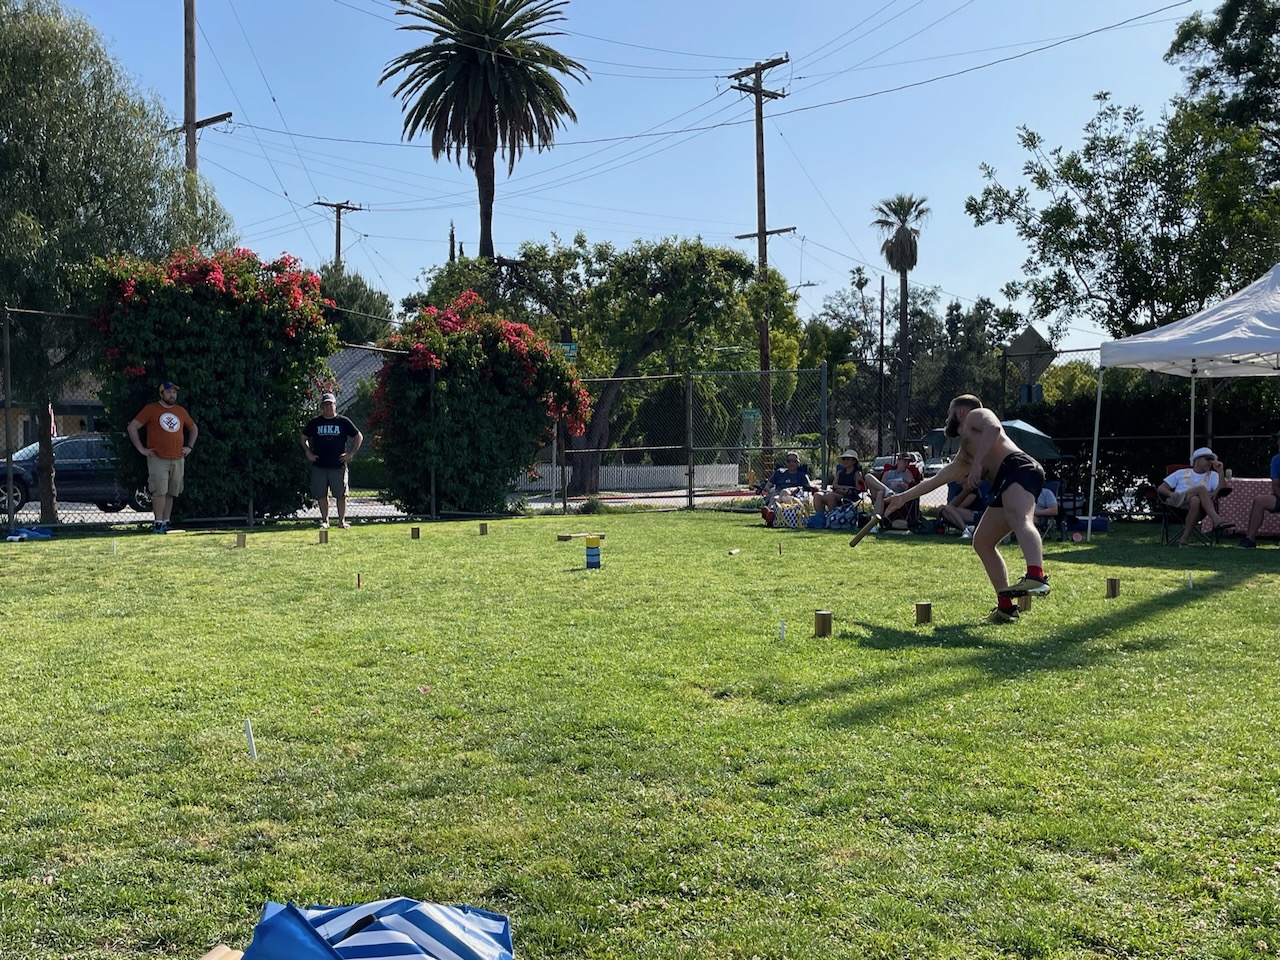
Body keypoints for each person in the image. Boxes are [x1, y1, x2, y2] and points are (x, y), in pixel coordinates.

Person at [883, 394, 1049, 624]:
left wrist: (978, 465)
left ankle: (1036, 575)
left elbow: (993, 428)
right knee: (982, 541)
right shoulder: (966, 453)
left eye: (949, 413)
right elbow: (936, 481)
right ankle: (1005, 607)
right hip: (1005, 479)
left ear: (959, 412)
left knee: (1019, 518)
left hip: (1019, 467)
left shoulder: (976, 415)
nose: (946, 418)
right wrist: (902, 498)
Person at [128, 379, 198, 534]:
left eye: (174, 392)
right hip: (157, 458)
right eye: (168, 392)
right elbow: (132, 426)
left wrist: (189, 447)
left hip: (178, 457)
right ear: (161, 393)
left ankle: (166, 521)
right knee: (159, 490)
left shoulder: (180, 411)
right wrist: (141, 449)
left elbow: (193, 428)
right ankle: (158, 523)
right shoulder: (151, 409)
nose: (172, 395)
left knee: (172, 491)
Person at [301, 392, 363, 529]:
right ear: (322, 407)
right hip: (320, 465)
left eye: (331, 404)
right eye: (325, 405)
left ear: (335, 405)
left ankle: (341, 521)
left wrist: (351, 453)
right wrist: (308, 452)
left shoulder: (343, 422)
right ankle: (325, 521)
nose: (328, 407)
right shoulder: (315, 423)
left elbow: (358, 436)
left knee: (341, 494)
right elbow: (303, 438)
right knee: (322, 494)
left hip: (338, 465)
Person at [1158, 447, 1230, 546]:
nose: (1210, 462)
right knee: (1201, 489)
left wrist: (1220, 472)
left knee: (1195, 500)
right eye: (1207, 459)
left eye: (1212, 459)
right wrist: (1171, 494)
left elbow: (1222, 490)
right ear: (1197, 459)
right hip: (1176, 503)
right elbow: (1161, 488)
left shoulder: (1213, 475)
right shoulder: (1182, 472)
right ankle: (1216, 519)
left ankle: (1184, 539)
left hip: (1199, 508)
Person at [1236, 430, 1280, 548]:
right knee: (1259, 501)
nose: (1279, 442)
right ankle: (1250, 539)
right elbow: (1275, 484)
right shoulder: (1276, 459)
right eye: (1278, 440)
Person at [813, 449, 864, 517]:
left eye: (848, 459)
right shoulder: (839, 473)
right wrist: (842, 488)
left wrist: (844, 489)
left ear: (854, 461)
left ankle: (833, 518)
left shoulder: (857, 473)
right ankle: (820, 518)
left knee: (831, 496)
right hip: (837, 493)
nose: (845, 461)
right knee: (817, 495)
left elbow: (859, 488)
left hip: (849, 496)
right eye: (844, 459)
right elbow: (834, 485)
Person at [876, 452, 920, 528]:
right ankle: (888, 491)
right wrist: (890, 487)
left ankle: (873, 525)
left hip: (897, 497)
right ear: (898, 461)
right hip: (885, 495)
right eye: (904, 461)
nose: (906, 464)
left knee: (880, 494)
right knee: (868, 477)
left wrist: (900, 484)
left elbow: (911, 488)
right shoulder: (887, 473)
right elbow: (881, 485)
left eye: (908, 462)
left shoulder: (907, 474)